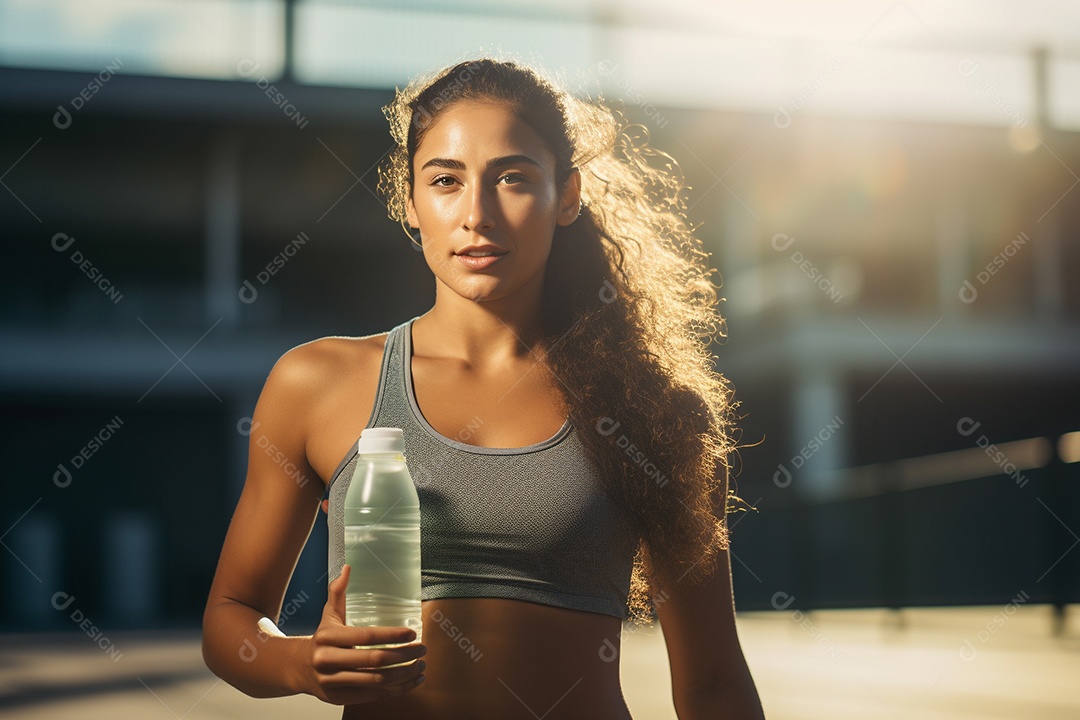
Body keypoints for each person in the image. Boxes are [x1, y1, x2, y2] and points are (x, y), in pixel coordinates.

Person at [202, 55, 765, 719]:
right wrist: (301, 663)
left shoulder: (655, 413)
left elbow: (714, 685)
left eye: (514, 179)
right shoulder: (317, 384)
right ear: (410, 202)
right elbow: (230, 621)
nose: (478, 214)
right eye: (446, 180)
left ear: (568, 196)